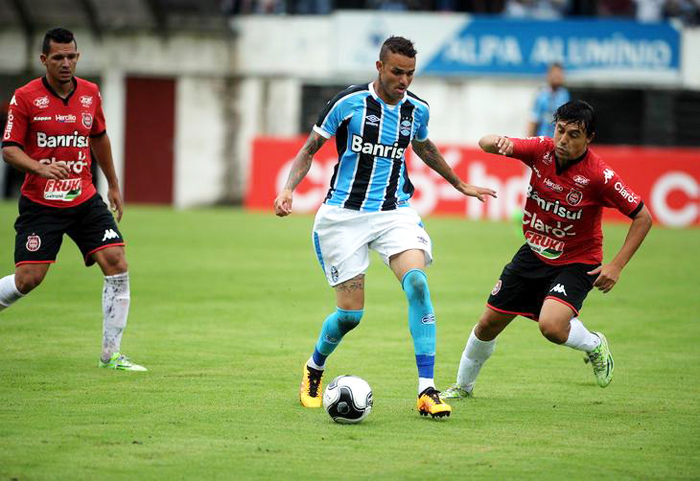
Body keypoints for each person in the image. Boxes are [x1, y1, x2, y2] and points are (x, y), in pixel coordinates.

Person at [274, 36, 496, 418]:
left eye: (410, 73)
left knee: (418, 283)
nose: (404, 80)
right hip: (343, 218)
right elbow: (310, 148)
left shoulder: (416, 110)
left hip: (395, 212)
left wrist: (460, 184)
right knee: (350, 316)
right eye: (397, 72)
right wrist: (288, 189)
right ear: (379, 67)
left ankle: (427, 390)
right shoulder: (348, 103)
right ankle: (314, 367)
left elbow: (424, 147)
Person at [442, 100, 652, 400]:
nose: (563, 140)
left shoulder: (599, 176)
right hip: (534, 252)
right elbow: (484, 143)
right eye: (560, 130)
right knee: (487, 324)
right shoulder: (541, 149)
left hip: (578, 261)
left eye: (574, 134)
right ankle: (463, 387)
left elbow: (643, 217)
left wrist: (616, 266)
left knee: (551, 326)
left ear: (589, 138)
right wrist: (497, 142)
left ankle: (594, 344)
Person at [0, 27, 145, 371]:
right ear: (44, 60)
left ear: (77, 57)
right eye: (58, 57)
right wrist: (40, 168)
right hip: (41, 204)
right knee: (27, 280)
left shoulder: (91, 93)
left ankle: (111, 355)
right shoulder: (25, 97)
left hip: (84, 198)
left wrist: (113, 184)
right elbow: (9, 150)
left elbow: (100, 138)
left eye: (71, 57)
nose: (66, 63)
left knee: (117, 262)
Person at [527, 63, 570, 138]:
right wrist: (529, 140)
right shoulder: (541, 95)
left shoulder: (564, 95)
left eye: (560, 74)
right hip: (541, 140)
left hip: (557, 141)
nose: (557, 77)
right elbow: (533, 120)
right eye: (555, 74)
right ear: (548, 75)